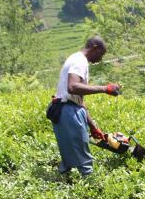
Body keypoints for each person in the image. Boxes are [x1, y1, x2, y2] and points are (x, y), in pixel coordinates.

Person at [51, 36, 121, 176]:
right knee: (84, 158)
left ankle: (65, 182)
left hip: (64, 110)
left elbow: (79, 101)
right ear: (95, 48)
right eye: (101, 54)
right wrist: (105, 89)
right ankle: (92, 188)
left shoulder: (76, 59)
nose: (100, 59)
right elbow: (73, 87)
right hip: (68, 112)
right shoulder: (79, 61)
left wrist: (93, 126)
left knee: (68, 155)